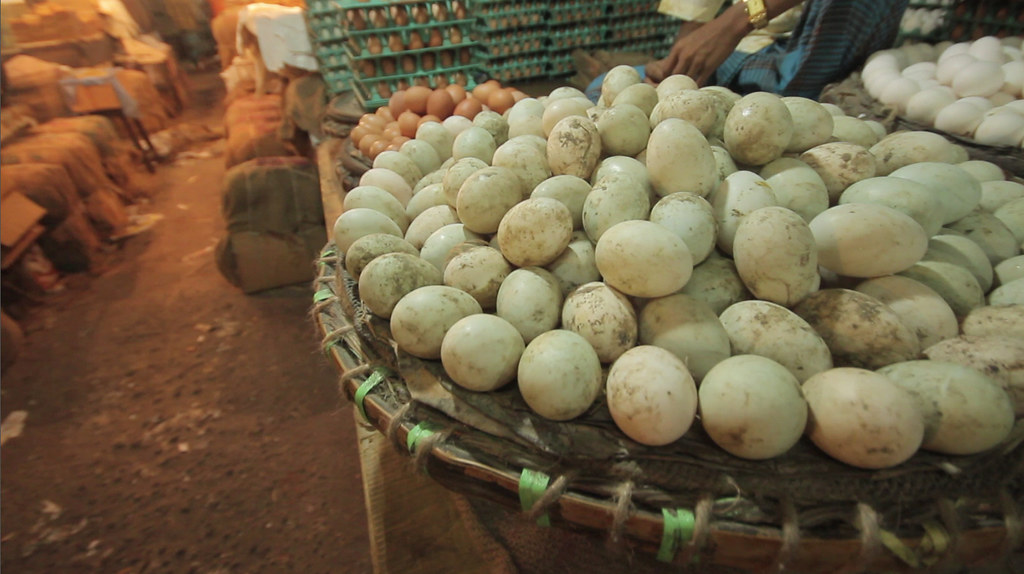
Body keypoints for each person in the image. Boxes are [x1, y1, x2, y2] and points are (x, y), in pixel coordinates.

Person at [595, 0, 910, 100]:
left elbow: (731, 24)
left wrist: (738, 20)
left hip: (806, 49)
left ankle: (799, 94)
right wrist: (682, 64)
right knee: (601, 90)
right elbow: (696, 10)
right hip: (741, 52)